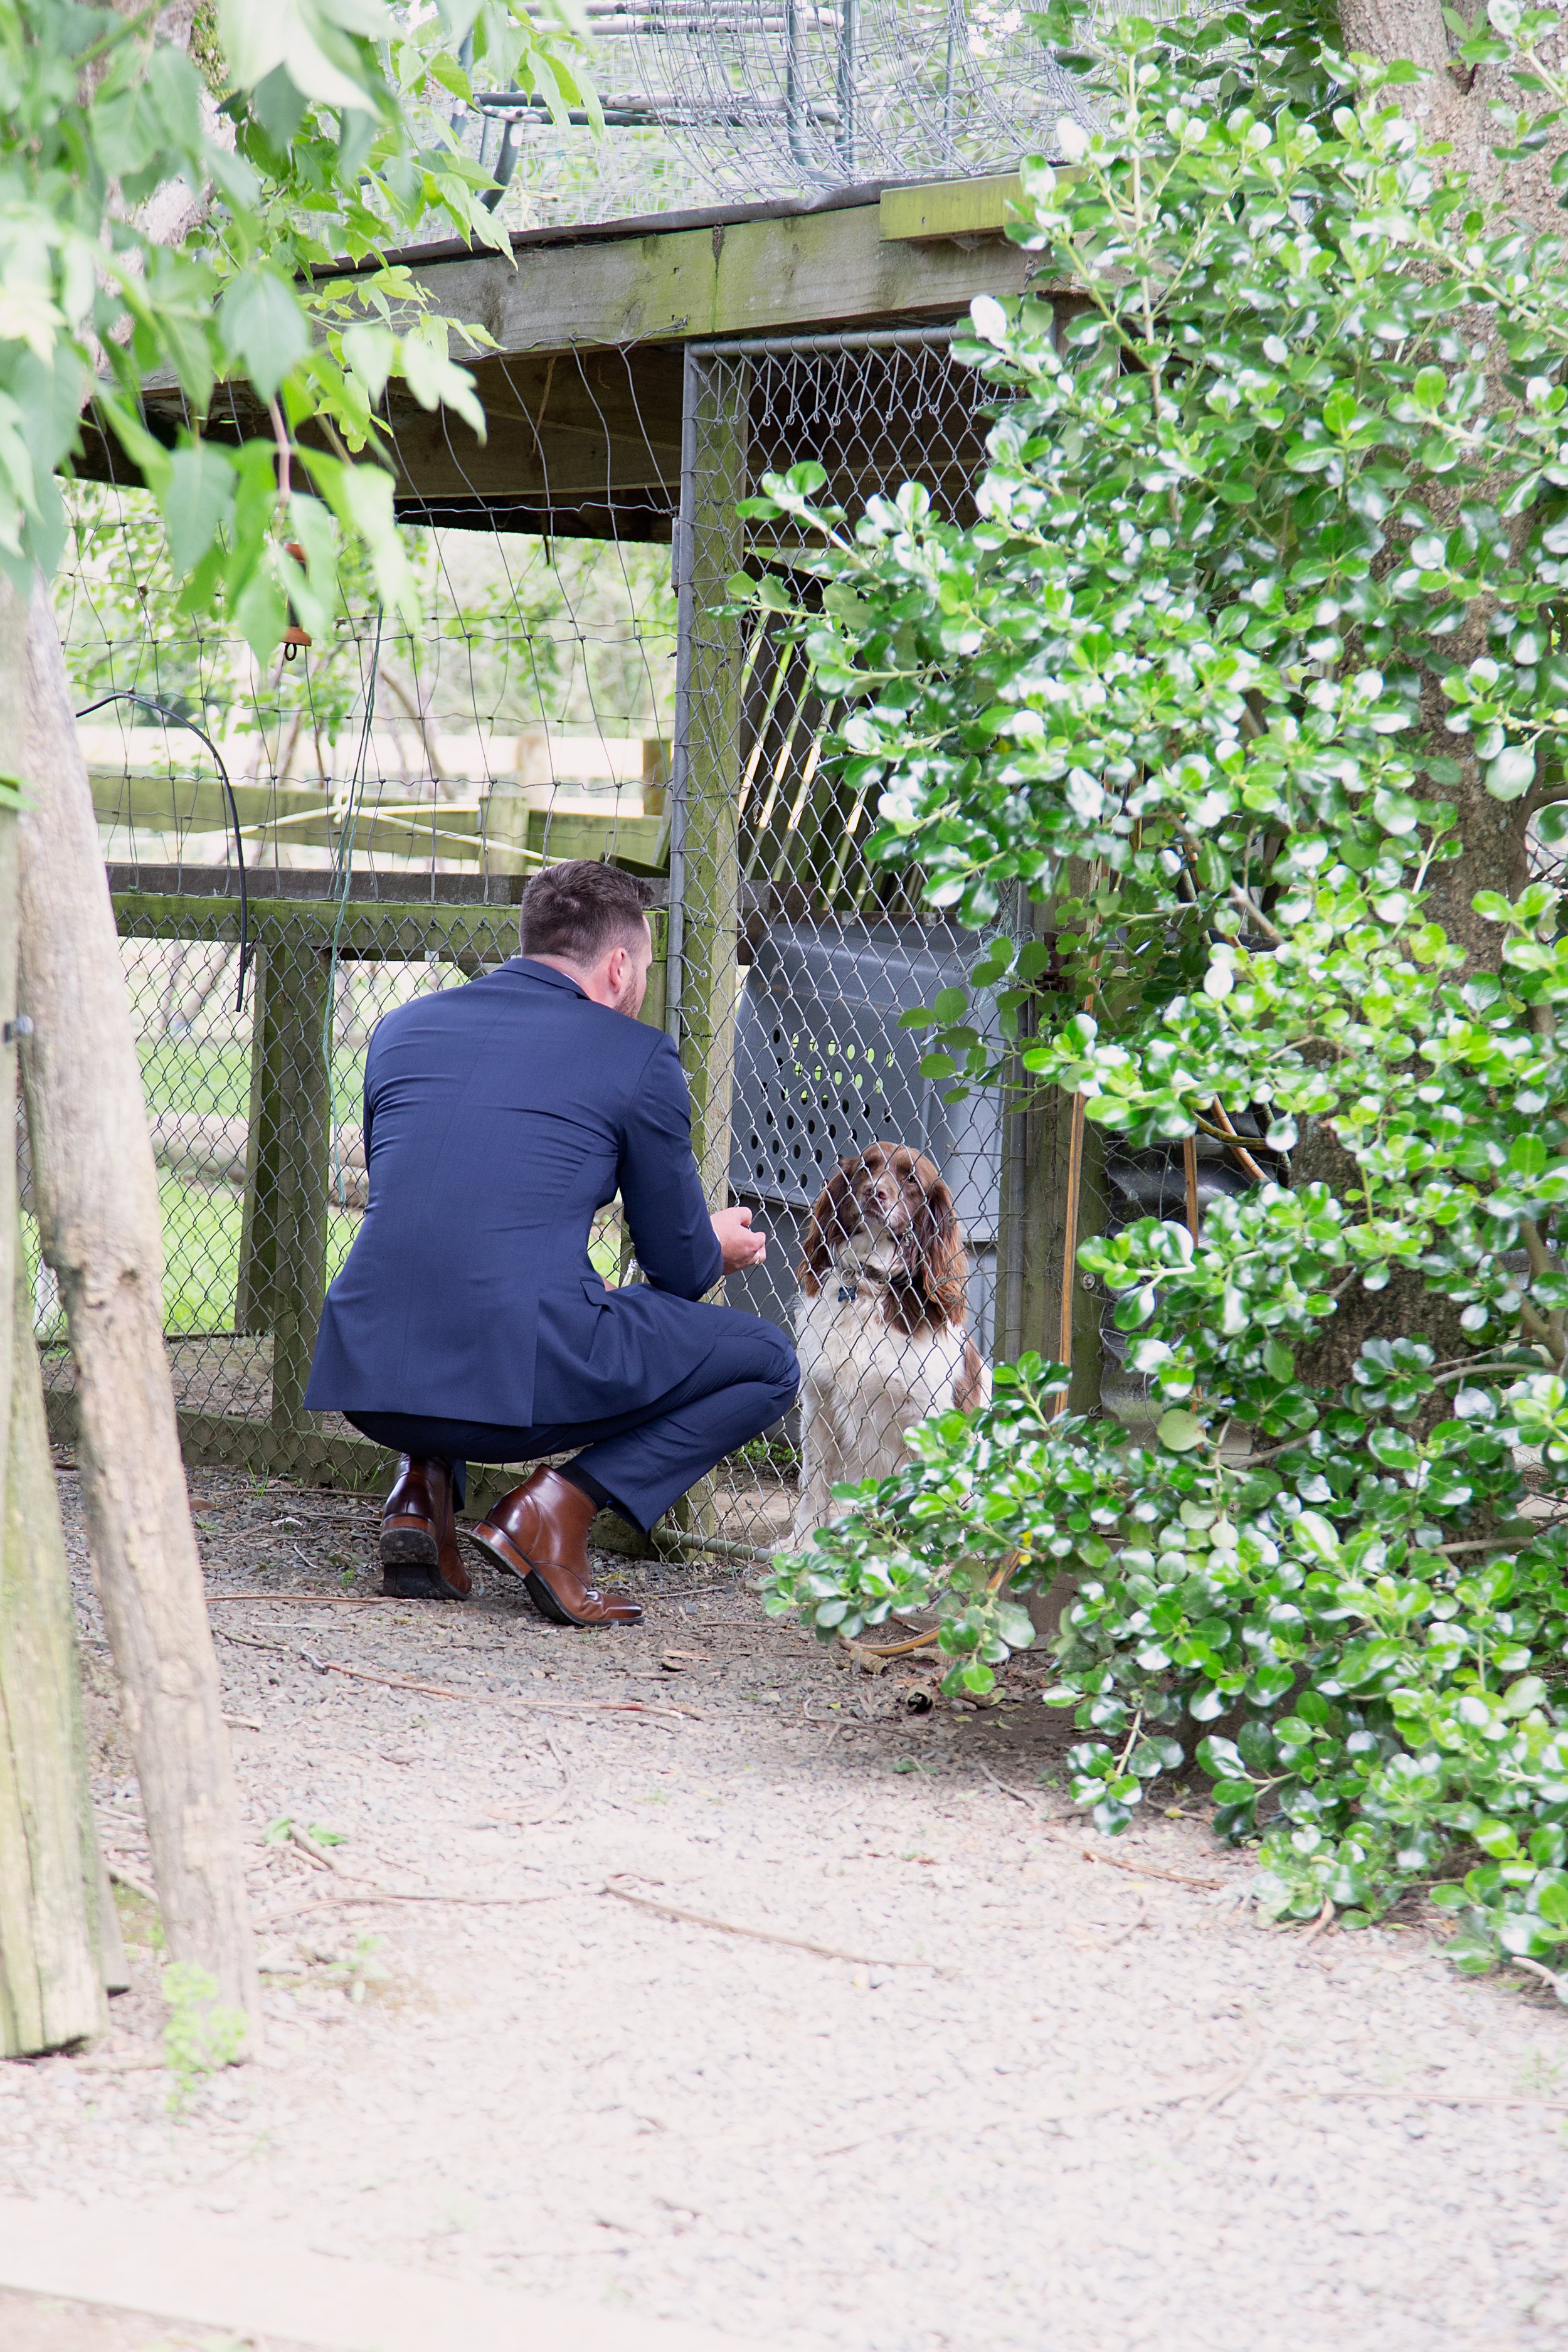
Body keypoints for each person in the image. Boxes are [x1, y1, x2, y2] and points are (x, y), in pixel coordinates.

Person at [304, 860, 798, 1627]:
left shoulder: (401, 1030)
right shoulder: (636, 1056)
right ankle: (555, 1511)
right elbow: (677, 1269)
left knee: (470, 1272)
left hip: (369, 1376)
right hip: (507, 1390)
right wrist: (713, 1242)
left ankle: (420, 1489)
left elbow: (431, 1208)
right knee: (768, 1364)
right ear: (618, 966)